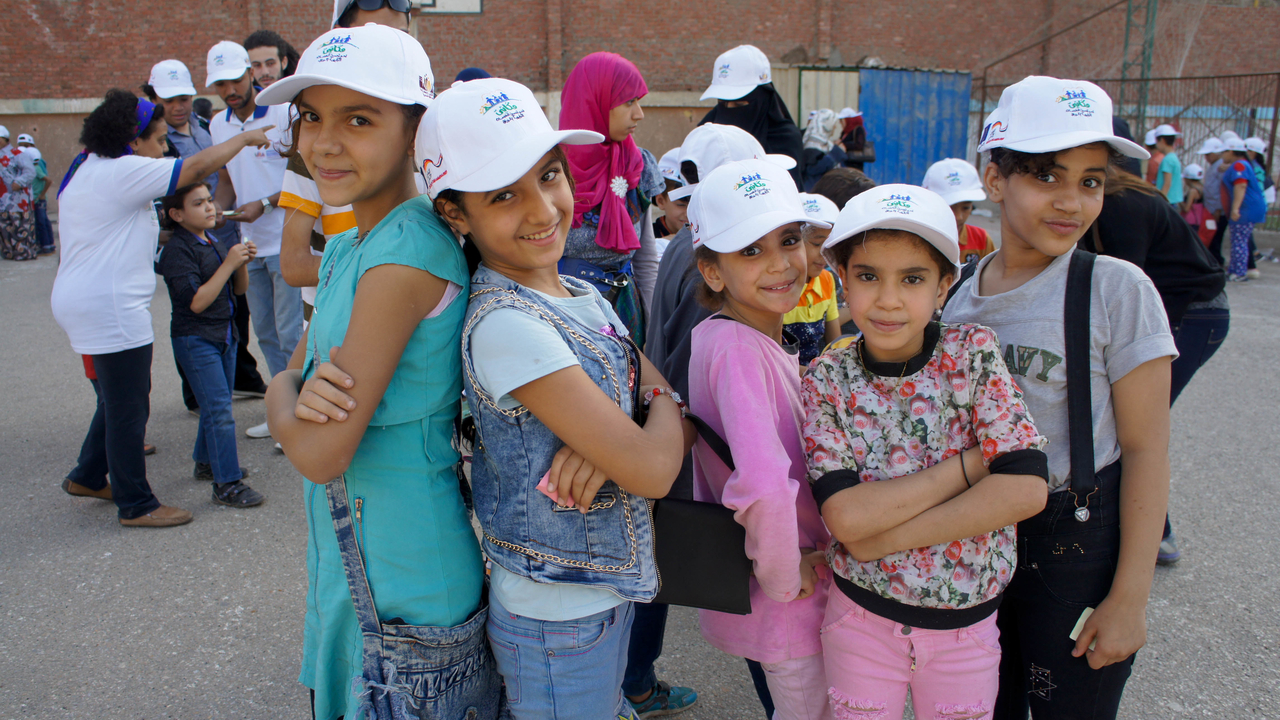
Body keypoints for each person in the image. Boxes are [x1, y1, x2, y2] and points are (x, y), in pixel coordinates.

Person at [259, 25, 503, 720]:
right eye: (311, 117)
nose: (323, 143)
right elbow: (304, 373)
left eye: (358, 120)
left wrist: (284, 397)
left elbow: (321, 447)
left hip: (401, 587)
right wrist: (296, 389)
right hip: (351, 565)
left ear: (415, 129)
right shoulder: (350, 242)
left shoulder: (405, 254)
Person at [425, 77, 688, 720]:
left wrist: (633, 424)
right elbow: (654, 466)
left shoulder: (581, 295)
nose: (543, 210)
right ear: (456, 214)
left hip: (598, 592)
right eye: (503, 195)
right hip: (557, 615)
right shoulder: (508, 324)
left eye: (549, 176)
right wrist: (643, 425)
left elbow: (654, 393)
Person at [943, 76, 1176, 719]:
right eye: (1048, 176)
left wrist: (1129, 598)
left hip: (1076, 546)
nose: (1071, 201)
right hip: (973, 540)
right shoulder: (955, 295)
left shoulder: (1116, 291)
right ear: (996, 179)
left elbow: (1145, 448)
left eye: (1091, 180)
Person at [806, 184, 1050, 720]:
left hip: (966, 630)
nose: (888, 299)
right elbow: (845, 515)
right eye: (868, 276)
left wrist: (881, 539)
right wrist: (968, 466)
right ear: (841, 278)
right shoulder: (828, 376)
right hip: (860, 623)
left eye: (912, 279)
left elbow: (1026, 489)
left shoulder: (973, 355)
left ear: (944, 285)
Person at [50, 88, 272, 527]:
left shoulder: (89, 168)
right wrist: (245, 140)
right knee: (131, 407)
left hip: (86, 299)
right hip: (109, 307)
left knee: (115, 401)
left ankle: (88, 475)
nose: (162, 149)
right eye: (156, 141)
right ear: (133, 142)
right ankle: (137, 504)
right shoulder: (121, 170)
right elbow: (194, 168)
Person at [687, 159, 832, 720]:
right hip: (789, 593)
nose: (779, 264)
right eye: (751, 250)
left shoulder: (732, 338)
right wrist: (780, 574)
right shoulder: (740, 350)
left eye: (789, 240)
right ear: (713, 271)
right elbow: (766, 482)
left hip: (780, 587)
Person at [1082, 166, 1227, 566]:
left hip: (1195, 314)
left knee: (1135, 421)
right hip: (1186, 311)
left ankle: (1156, 536)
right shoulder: (1116, 199)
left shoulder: (1120, 206)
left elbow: (1119, 287)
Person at [144, 58, 270, 402]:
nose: (178, 107)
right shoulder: (154, 142)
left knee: (233, 313)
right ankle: (199, 392)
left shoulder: (205, 127)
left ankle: (235, 376)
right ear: (155, 100)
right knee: (194, 316)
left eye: (183, 98)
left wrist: (221, 212)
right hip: (184, 244)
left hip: (220, 235)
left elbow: (223, 180)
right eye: (168, 101)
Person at [278, 0, 414, 312]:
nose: (326, 145)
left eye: (400, 39)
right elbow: (293, 263)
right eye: (311, 117)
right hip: (325, 315)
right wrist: (375, 268)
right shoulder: (311, 153)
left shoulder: (433, 140)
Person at [207, 39, 300, 442]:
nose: (230, 89)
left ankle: (302, 413)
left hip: (287, 241)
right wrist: (212, 210)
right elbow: (227, 180)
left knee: (290, 332)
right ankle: (282, 414)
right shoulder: (217, 124)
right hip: (250, 245)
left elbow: (306, 176)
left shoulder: (284, 112)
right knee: (264, 332)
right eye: (220, 84)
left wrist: (264, 202)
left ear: (250, 74)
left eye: (235, 79)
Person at [155, 183, 265, 507]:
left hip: (225, 335)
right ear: (176, 214)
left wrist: (241, 262)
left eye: (209, 200)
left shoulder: (212, 240)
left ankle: (207, 462)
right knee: (219, 410)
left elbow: (239, 289)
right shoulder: (177, 252)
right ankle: (227, 484)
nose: (209, 208)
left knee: (215, 403)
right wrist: (230, 263)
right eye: (198, 203)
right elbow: (197, 303)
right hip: (196, 338)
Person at [557, 51, 665, 348]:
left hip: (625, 310)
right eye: (629, 102)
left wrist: (653, 329)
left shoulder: (637, 165)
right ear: (595, 100)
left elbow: (644, 257)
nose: (639, 114)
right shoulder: (550, 170)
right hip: (566, 314)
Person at [699, 45, 804, 186]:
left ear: (764, 98)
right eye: (723, 103)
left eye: (739, 105)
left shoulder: (784, 141)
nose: (729, 112)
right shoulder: (705, 133)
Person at [783, 193, 841, 365]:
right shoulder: (778, 286)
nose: (825, 253)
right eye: (817, 244)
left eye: (831, 245)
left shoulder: (827, 280)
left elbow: (835, 344)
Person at [922, 157, 994, 264]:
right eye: (949, 208)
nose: (959, 217)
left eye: (966, 208)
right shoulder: (917, 240)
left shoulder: (981, 239)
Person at [1218, 137, 1267, 282]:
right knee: (1238, 240)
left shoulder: (1240, 166)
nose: (1222, 155)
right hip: (1246, 208)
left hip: (1245, 209)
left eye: (1224, 152)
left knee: (1239, 241)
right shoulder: (1240, 164)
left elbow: (1241, 186)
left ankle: (1239, 272)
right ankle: (1234, 270)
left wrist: (1235, 209)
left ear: (1231, 151)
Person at [0, 125, 39, 261]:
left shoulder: (17, 154)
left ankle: (24, 253)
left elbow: (30, 172)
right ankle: (9, 253)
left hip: (18, 200)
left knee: (20, 227)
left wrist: (19, 182)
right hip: (2, 200)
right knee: (5, 228)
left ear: (5, 139)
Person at [15, 134, 54, 254]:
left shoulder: (36, 163)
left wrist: (42, 194)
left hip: (38, 198)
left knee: (41, 222)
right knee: (41, 221)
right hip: (34, 198)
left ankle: (46, 246)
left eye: (27, 146)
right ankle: (47, 245)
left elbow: (46, 179)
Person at [800, 109, 847, 191]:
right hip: (815, 192)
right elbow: (813, 169)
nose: (835, 127)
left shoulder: (825, 142)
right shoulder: (813, 143)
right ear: (826, 124)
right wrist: (837, 153)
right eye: (833, 124)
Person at [1179, 164, 1215, 247]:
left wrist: (1179, 201)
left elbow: (1186, 208)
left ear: (1187, 179)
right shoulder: (1201, 187)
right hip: (1199, 219)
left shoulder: (1192, 191)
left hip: (1191, 220)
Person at [1152, 124, 1183, 204]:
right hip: (1173, 201)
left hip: (1168, 201)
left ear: (1162, 140)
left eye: (1156, 141)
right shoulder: (1173, 157)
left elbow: (1167, 183)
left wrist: (1161, 201)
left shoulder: (1167, 160)